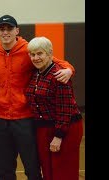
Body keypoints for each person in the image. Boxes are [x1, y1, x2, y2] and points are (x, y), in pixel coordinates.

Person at [0, 14, 76, 180]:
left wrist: (69, 69)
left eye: (9, 28)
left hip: (25, 119)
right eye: (2, 29)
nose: (6, 32)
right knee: (3, 170)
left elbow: (55, 61)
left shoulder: (28, 50)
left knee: (32, 167)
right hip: (1, 119)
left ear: (17, 31)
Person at [25, 36, 83, 180]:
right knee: (48, 171)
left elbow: (65, 109)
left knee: (63, 171)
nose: (36, 58)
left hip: (65, 128)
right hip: (43, 128)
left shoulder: (60, 75)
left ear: (50, 54)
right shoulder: (35, 72)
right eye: (32, 54)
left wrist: (59, 136)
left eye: (40, 53)